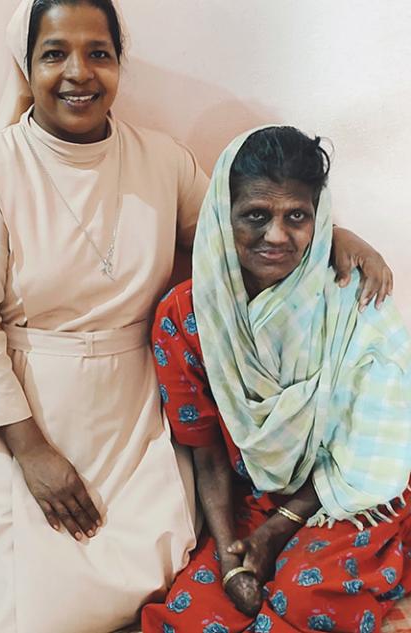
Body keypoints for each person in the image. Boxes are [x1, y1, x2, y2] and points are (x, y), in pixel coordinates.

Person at [0, 0, 393, 630]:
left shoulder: (161, 160)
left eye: (99, 52)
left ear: (120, 62)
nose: (78, 73)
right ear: (28, 65)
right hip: (25, 404)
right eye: (54, 53)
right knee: (13, 605)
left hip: (126, 404)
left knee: (150, 575)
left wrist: (341, 236)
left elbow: (243, 230)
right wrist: (33, 451)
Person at [142, 126, 411, 633]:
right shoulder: (186, 316)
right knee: (193, 618)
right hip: (252, 499)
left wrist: (276, 534)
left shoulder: (352, 297)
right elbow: (207, 456)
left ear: (319, 217)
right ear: (224, 216)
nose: (277, 236)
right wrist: (229, 557)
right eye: (256, 216)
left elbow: (365, 442)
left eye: (297, 217)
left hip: (343, 491)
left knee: (305, 602)